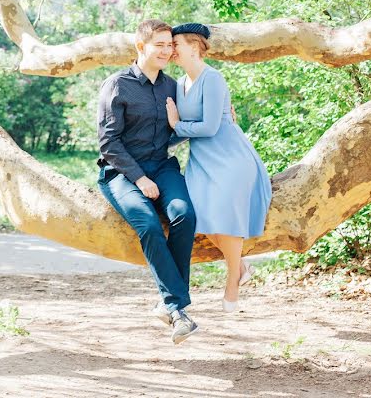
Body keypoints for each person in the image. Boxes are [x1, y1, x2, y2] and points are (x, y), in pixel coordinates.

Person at [97, 19, 198, 344]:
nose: (167, 51)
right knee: (150, 225)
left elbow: (179, 131)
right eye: (160, 45)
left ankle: (169, 304)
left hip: (163, 166)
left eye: (170, 45)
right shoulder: (117, 85)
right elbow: (108, 144)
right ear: (141, 47)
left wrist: (222, 118)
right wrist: (139, 179)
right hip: (121, 173)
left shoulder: (173, 87)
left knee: (184, 214)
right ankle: (177, 308)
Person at [166, 23, 272, 312]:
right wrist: (162, 144)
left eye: (175, 44)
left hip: (231, 157)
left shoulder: (213, 79)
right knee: (196, 216)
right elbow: (186, 131)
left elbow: (210, 127)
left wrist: (177, 124)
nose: (171, 49)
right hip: (201, 162)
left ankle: (232, 287)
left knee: (224, 215)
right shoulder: (178, 84)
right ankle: (240, 267)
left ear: (194, 46)